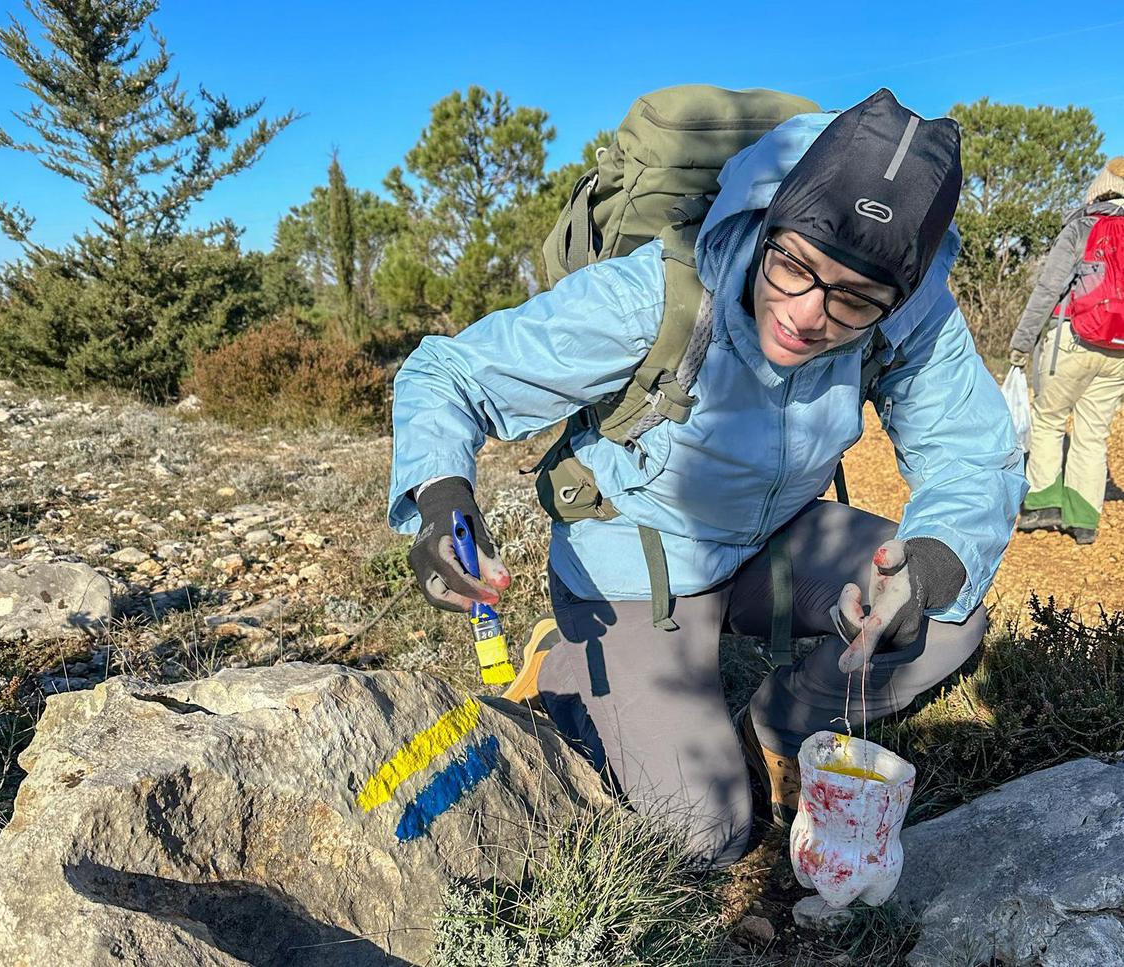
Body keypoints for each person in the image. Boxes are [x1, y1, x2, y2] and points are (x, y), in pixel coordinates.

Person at [388, 89, 1025, 867]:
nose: (805, 315)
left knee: (945, 610)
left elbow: (971, 449)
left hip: (773, 539)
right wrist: (440, 498)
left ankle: (781, 726)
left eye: (853, 301)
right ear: (768, 221)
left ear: (896, 292)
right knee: (704, 835)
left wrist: (926, 564)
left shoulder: (910, 309)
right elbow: (449, 375)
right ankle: (560, 666)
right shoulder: (657, 295)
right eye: (792, 265)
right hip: (638, 562)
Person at [1009, 157, 1124, 545]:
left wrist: (1021, 343)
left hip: (1073, 339)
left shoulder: (1083, 224)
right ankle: (1084, 520)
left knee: (1050, 419)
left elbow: (1048, 288)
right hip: (1119, 352)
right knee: (1093, 432)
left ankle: (1043, 503)